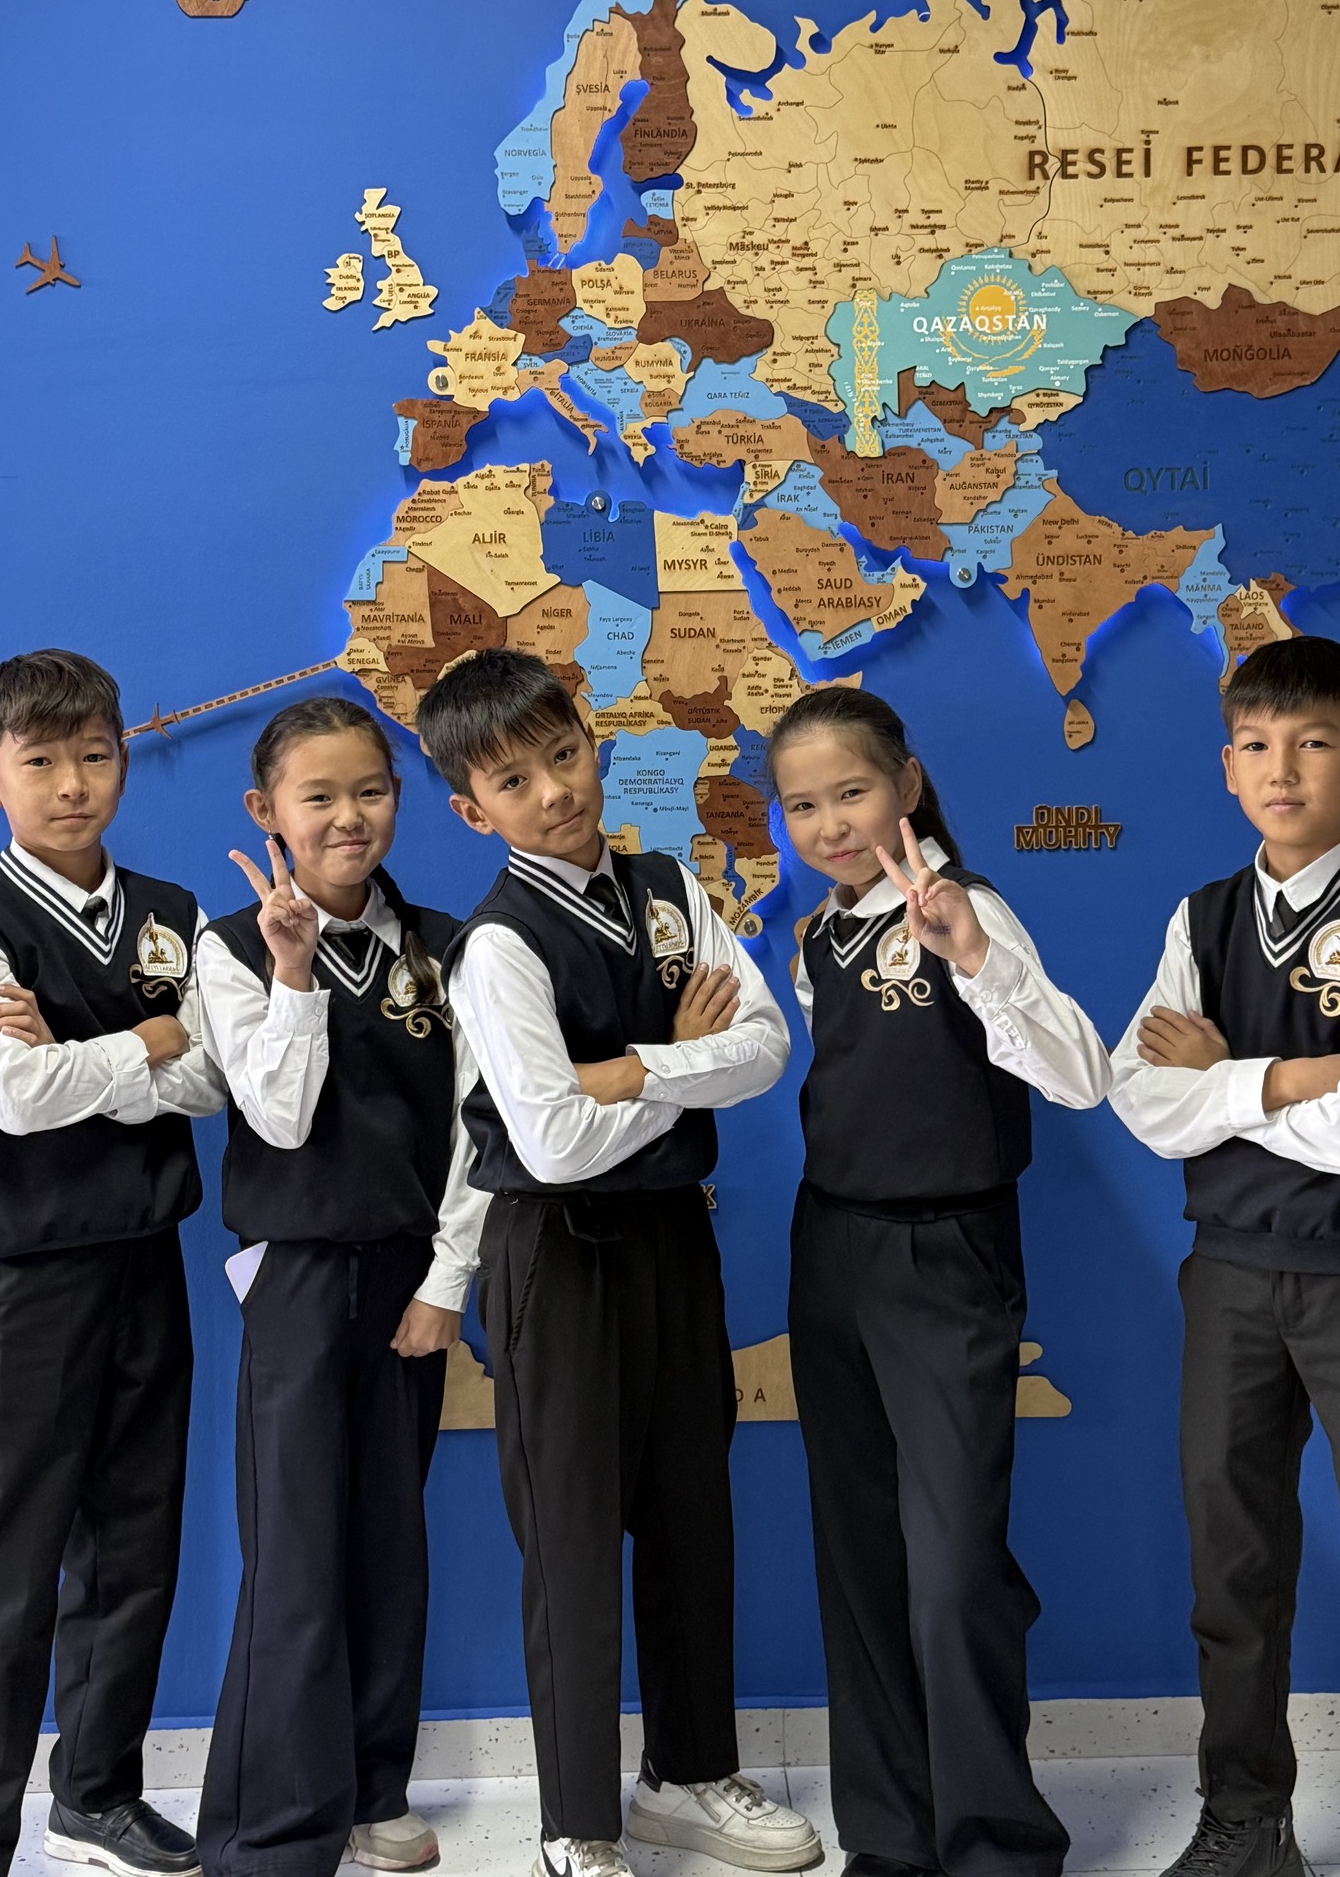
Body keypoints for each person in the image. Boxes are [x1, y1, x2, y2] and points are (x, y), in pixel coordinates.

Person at [415, 647, 821, 1877]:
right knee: (576, 1538)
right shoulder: (497, 944)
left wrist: (626, 1070)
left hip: (673, 1237)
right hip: (558, 1254)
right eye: (513, 779)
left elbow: (765, 1046)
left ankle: (688, 1773)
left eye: (564, 754)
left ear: (592, 742)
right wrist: (674, 1065)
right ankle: (576, 1822)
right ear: (472, 809)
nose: (554, 790)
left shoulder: (669, 886)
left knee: (694, 1510)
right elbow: (545, 1139)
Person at [767, 685, 1109, 1877]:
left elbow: (1079, 1074)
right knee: (858, 1553)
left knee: (954, 1563)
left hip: (948, 1252)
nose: (829, 823)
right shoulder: (816, 936)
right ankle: (892, 1834)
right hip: (831, 1251)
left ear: (906, 785)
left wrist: (969, 952)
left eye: (852, 792)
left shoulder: (969, 908)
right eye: (801, 804)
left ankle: (997, 1842)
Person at [1109, 635, 1340, 1877]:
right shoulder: (1201, 919)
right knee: (1231, 1569)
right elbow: (1147, 1104)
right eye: (1256, 743)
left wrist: (1228, 1080)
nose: (1282, 768)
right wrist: (1296, 1075)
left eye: (1313, 742)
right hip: (1231, 1278)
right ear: (1228, 765)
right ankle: (1247, 1824)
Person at [0, 649, 226, 1877]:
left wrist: (90, 1048)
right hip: (28, 1275)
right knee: (3, 1563)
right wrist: (147, 1039)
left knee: (135, 1541)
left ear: (123, 761)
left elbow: (215, 1079)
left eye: (94, 754)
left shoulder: (174, 914)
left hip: (148, 1256)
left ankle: (95, 1793)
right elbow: (18, 1098)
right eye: (40, 760)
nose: (72, 783)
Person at [194, 696, 471, 1877]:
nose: (349, 816)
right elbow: (277, 1113)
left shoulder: (446, 946)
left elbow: (477, 1132)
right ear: (268, 811)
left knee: (389, 1542)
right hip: (299, 1276)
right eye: (319, 796)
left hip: (409, 1277)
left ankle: (372, 1785)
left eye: (370, 790)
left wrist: (446, 1280)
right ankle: (271, 1827)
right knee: (297, 1551)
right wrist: (296, 968)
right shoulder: (230, 947)